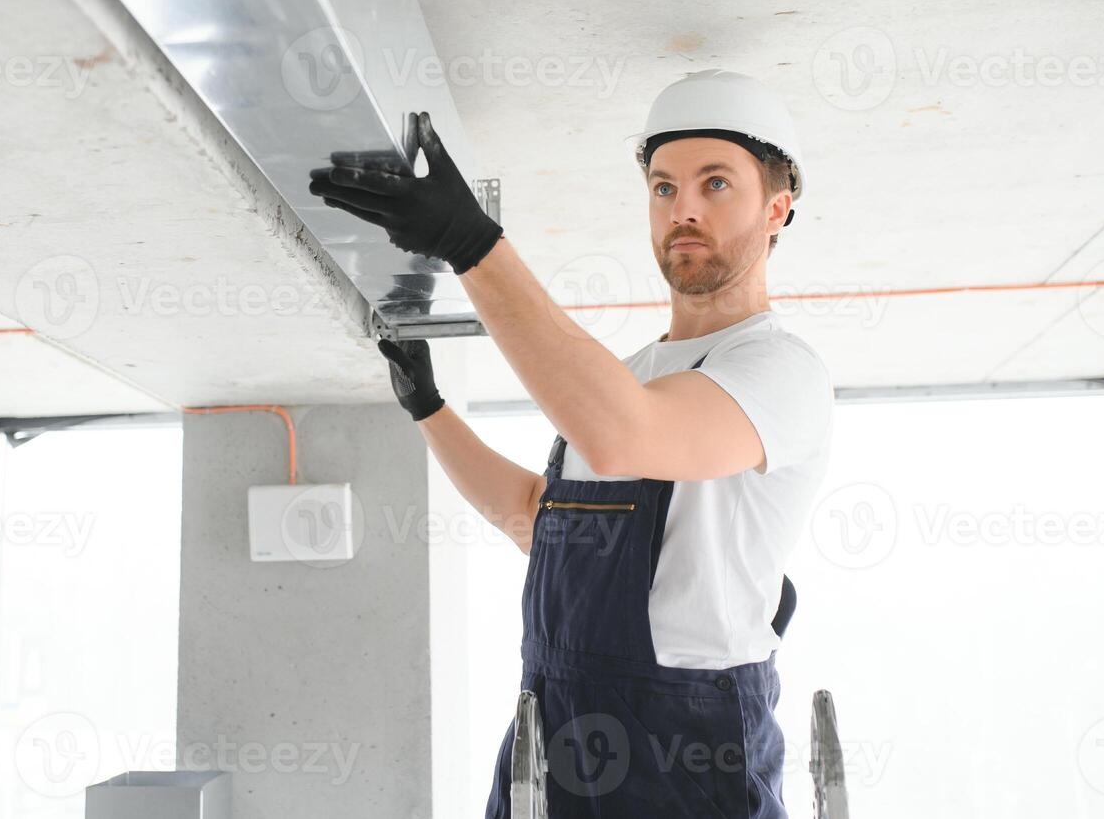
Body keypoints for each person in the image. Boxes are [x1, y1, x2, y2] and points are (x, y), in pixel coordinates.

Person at [308, 69, 834, 817]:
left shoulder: (778, 370)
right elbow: (540, 518)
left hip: (683, 747)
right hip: (552, 717)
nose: (682, 208)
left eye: (715, 184)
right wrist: (428, 408)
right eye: (662, 187)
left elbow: (625, 438)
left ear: (777, 209)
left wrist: (471, 244)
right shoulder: (625, 378)